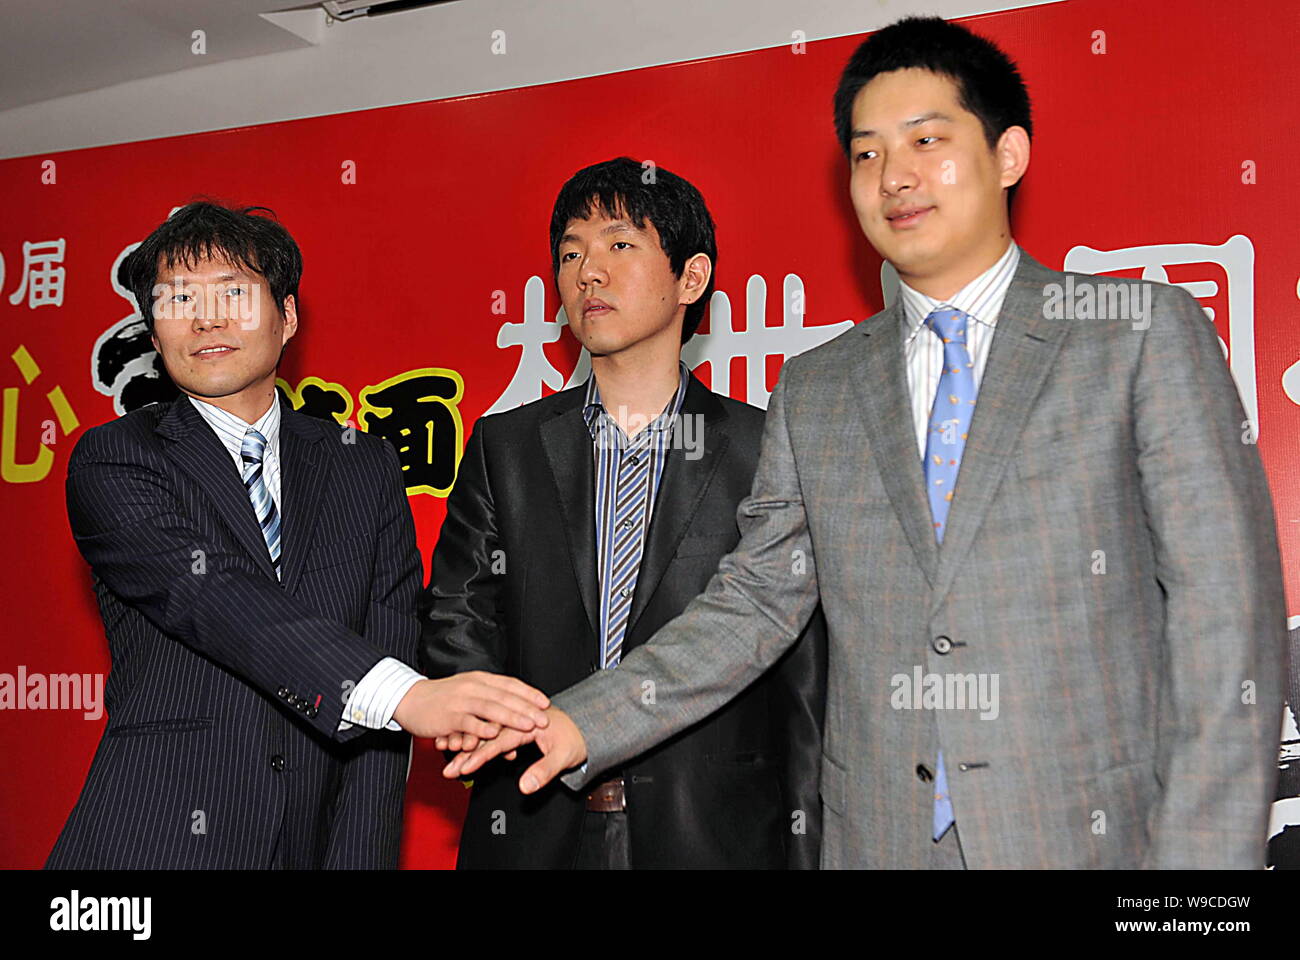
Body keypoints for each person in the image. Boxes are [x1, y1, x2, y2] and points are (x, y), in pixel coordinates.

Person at [447, 17, 1288, 869]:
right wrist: (584, 718)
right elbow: (754, 604)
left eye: (927, 139)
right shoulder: (818, 391)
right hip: (879, 841)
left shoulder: (1137, 337)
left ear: (1009, 155)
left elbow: (1226, 624)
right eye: (867, 154)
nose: (895, 177)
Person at [48, 201, 549, 869]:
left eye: (233, 292)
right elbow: (215, 598)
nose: (206, 318)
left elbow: (382, 682)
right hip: (152, 844)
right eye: (177, 299)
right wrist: (406, 693)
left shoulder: (362, 463)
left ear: (286, 318)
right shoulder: (117, 459)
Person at [421, 158, 827, 869]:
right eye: (570, 253)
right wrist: (513, 731)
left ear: (691, 279)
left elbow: (804, 681)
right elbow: (459, 622)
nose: (588, 273)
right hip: (533, 820)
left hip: (714, 834)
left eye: (619, 245)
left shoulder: (765, 447)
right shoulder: (505, 446)